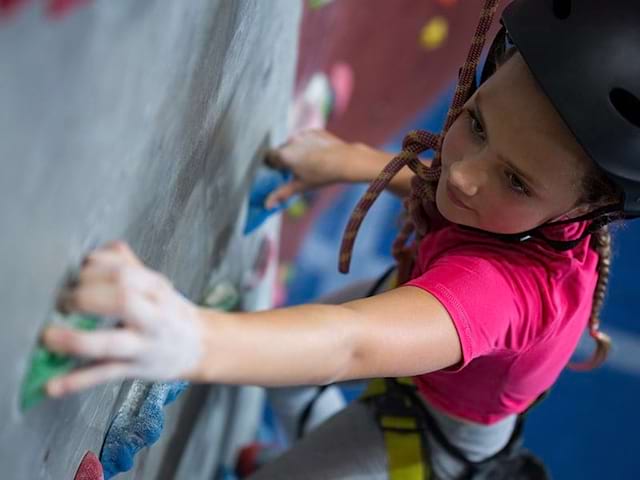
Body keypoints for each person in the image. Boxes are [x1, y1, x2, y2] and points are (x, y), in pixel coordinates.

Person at [42, 0, 640, 478]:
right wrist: (349, 160)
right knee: (282, 356)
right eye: (476, 123)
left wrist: (193, 339)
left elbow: (349, 343)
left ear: (591, 207)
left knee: (294, 357)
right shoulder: (548, 204)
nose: (462, 174)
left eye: (514, 179)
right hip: (432, 320)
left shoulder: (502, 294)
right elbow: (447, 183)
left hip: (429, 432)